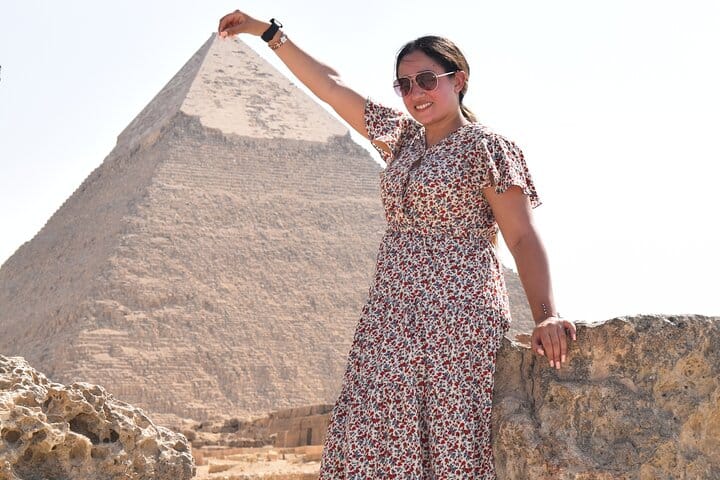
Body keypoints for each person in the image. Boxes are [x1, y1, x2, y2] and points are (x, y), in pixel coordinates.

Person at [218, 9, 577, 479]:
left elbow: (522, 235)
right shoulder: (402, 141)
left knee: (448, 437)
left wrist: (546, 313)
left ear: (459, 80)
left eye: (427, 80)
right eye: (404, 85)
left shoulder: (486, 147)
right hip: (389, 314)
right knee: (372, 436)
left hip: (455, 314)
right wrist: (268, 33)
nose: (415, 94)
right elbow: (331, 87)